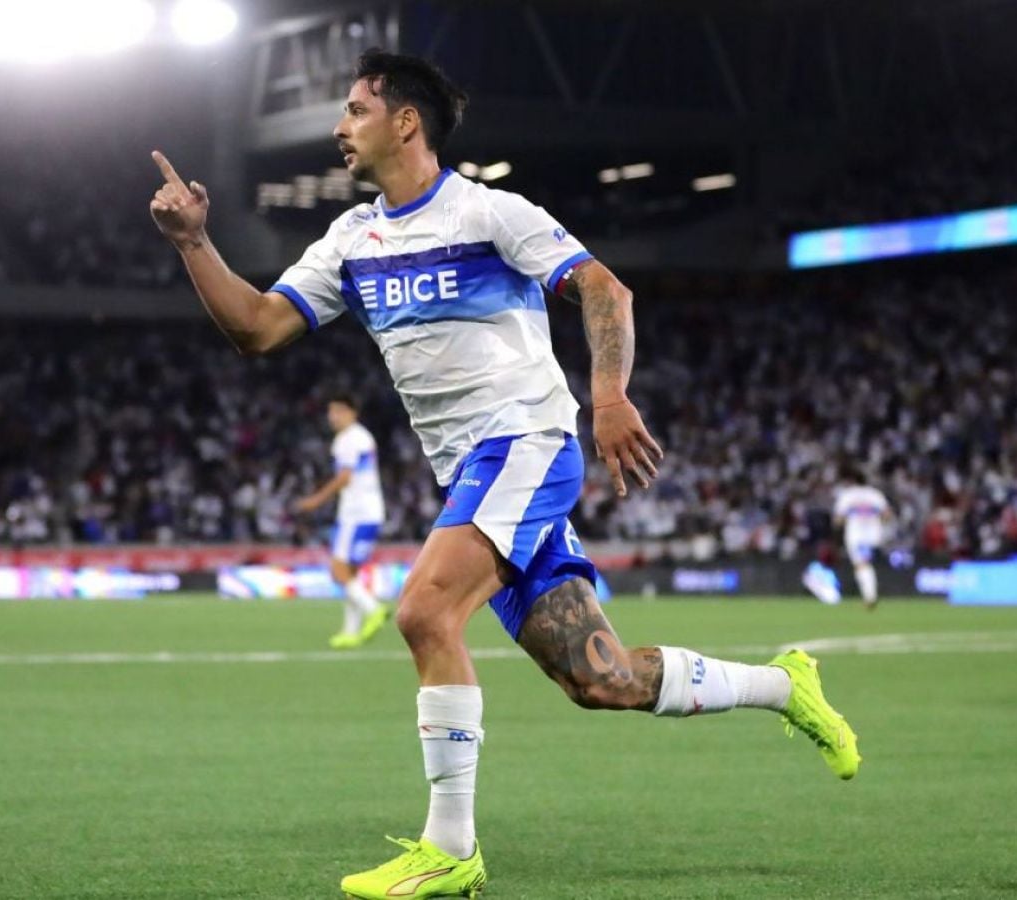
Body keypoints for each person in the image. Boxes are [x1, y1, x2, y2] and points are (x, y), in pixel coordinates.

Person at [149, 48, 860, 899]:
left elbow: (605, 290)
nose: (339, 127)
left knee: (424, 611)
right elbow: (258, 328)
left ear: (405, 122)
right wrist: (193, 242)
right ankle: (785, 685)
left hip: (526, 442)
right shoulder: (350, 239)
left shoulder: (490, 212)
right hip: (472, 473)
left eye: (355, 110)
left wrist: (608, 398)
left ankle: (450, 849)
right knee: (602, 678)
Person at [294, 394, 391, 648]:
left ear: (352, 412)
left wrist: (315, 501)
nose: (333, 417)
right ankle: (350, 631)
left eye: (338, 411)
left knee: (338, 571)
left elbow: (345, 478)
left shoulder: (346, 440)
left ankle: (374, 609)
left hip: (354, 514)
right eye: (331, 411)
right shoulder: (364, 436)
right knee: (351, 573)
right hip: (371, 512)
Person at [831, 469, 894, 609]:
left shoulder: (848, 495)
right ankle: (869, 595)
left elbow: (838, 520)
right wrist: (875, 521)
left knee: (861, 565)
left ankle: (870, 596)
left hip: (856, 536)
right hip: (874, 535)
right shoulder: (875, 494)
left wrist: (850, 518)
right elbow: (887, 515)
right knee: (864, 564)